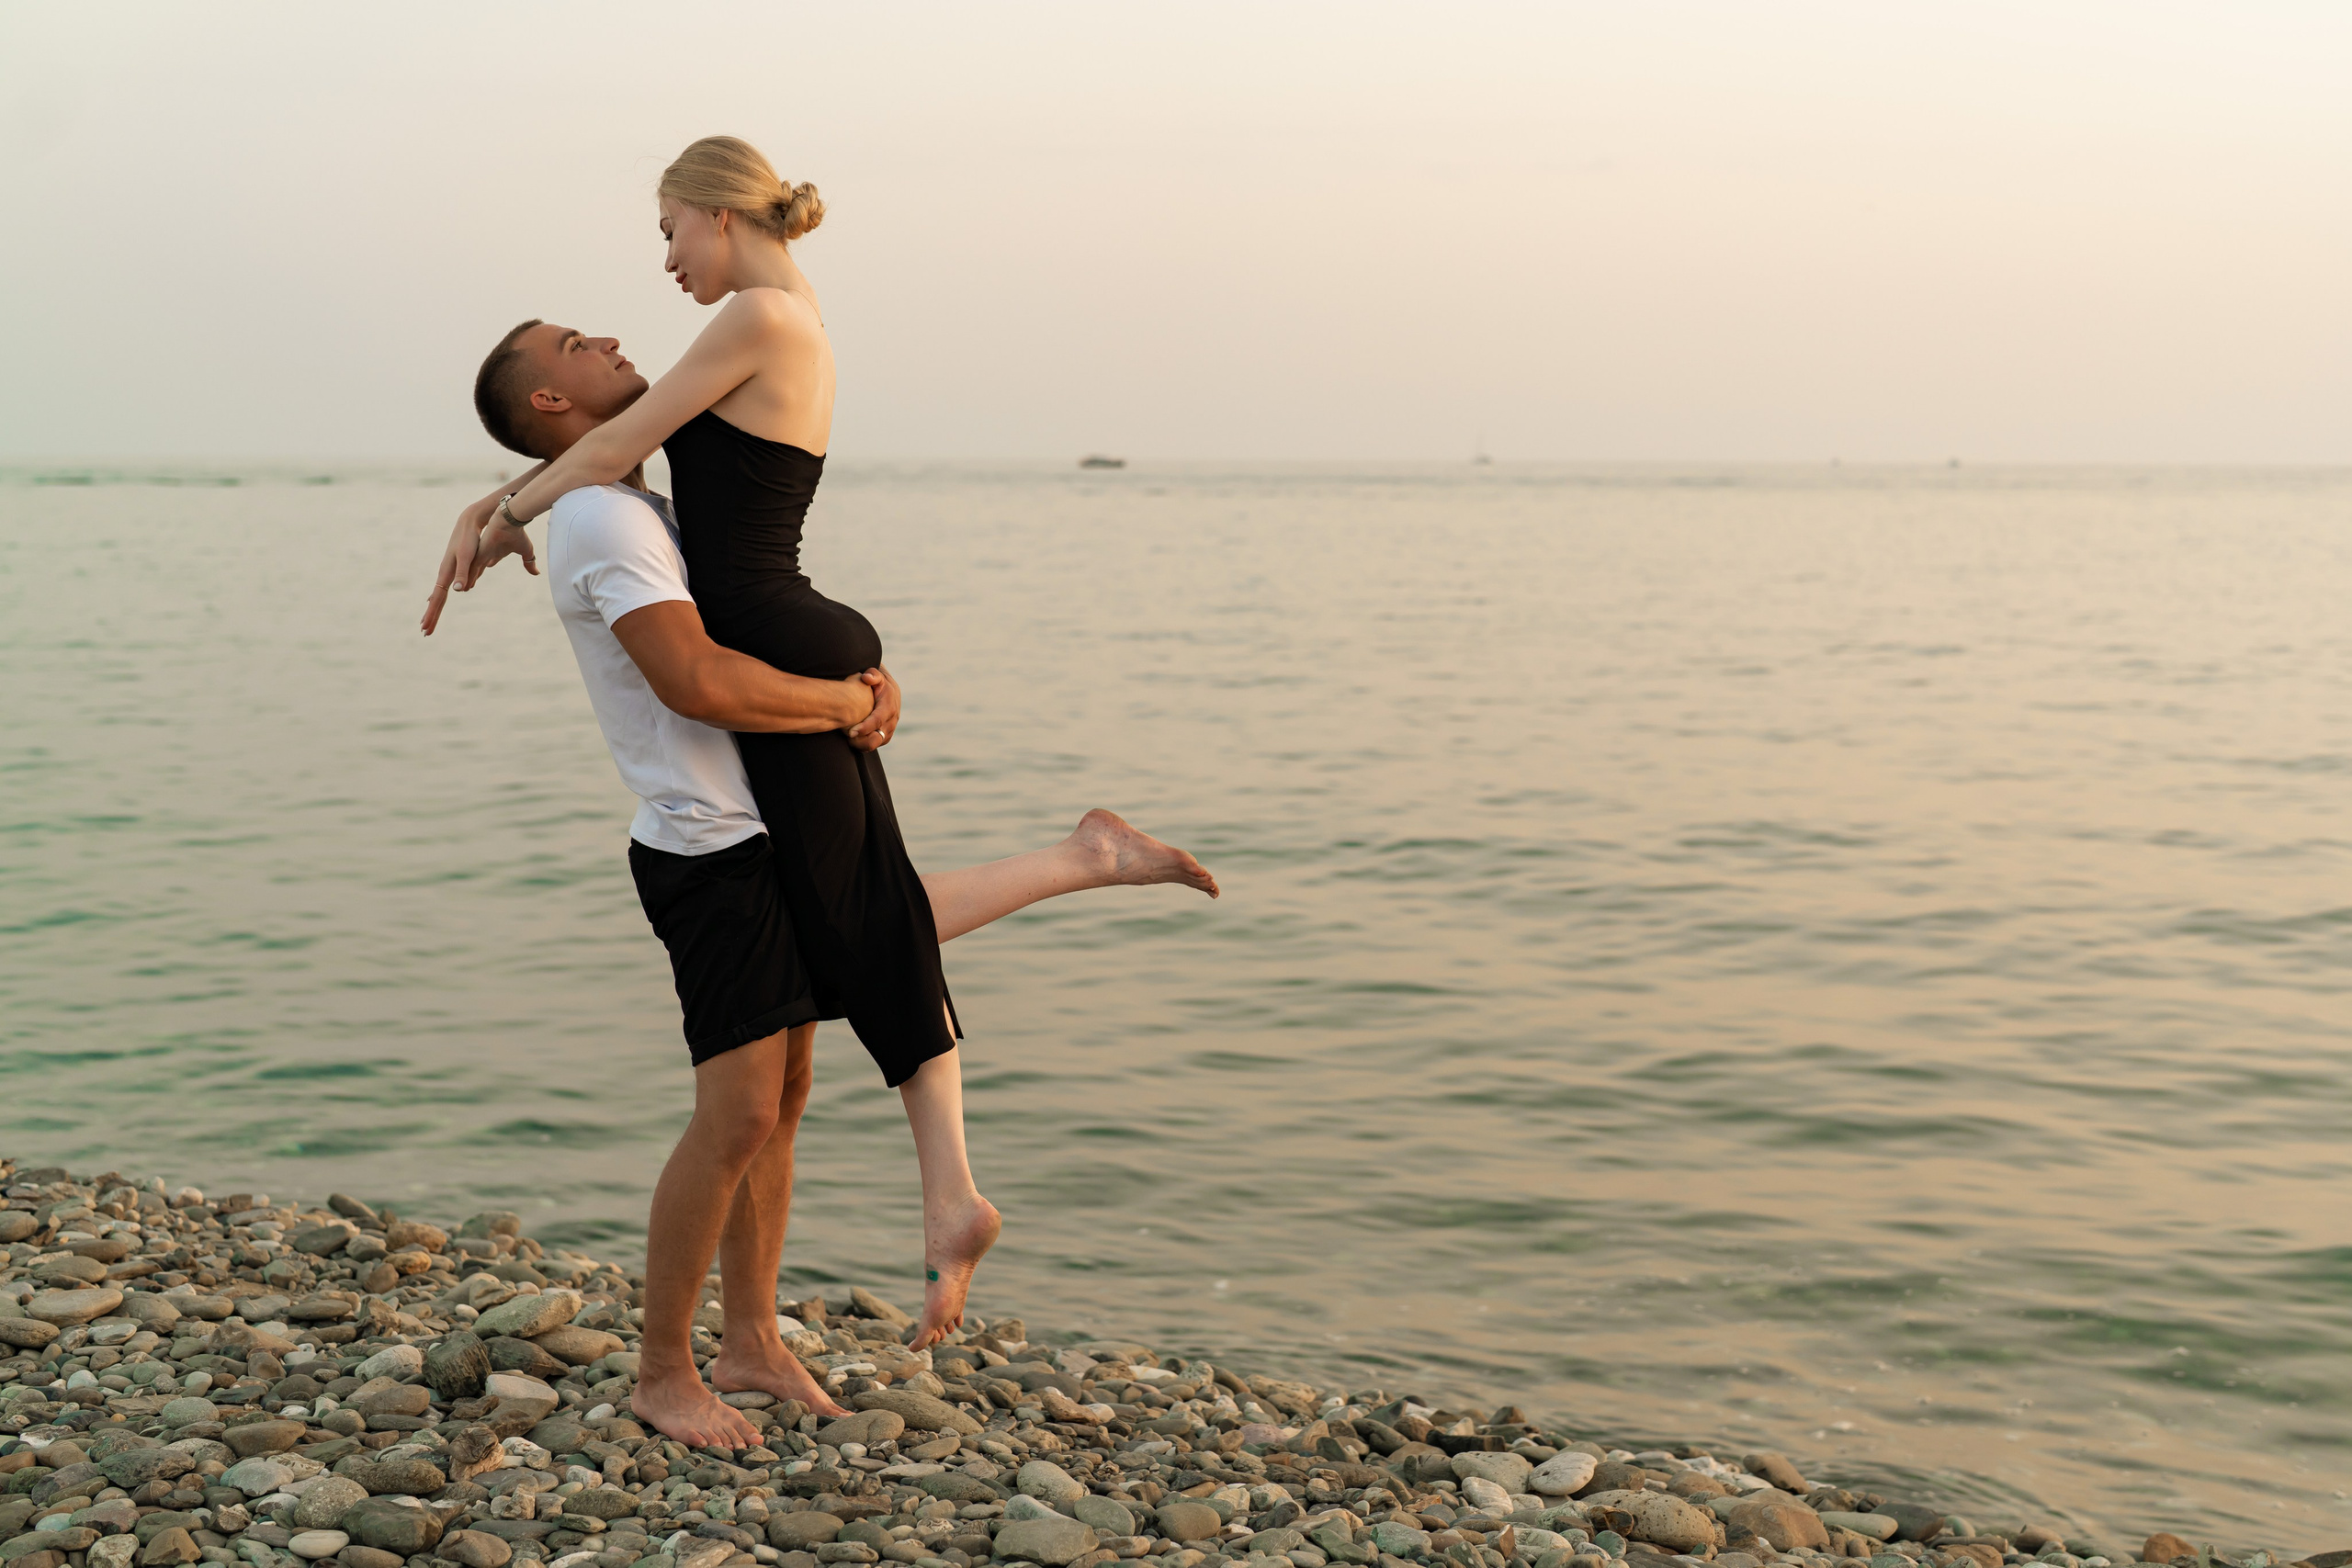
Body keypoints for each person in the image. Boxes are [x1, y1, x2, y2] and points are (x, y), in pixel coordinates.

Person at [431, 313, 1218, 1447]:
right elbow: (696, 679)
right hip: (709, 847)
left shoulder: (624, 497)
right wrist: (849, 703)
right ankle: (663, 1372)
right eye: (568, 341)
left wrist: (502, 505)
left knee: (783, 1102)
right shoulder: (604, 518)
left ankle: (749, 1340)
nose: (603, 334)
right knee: (737, 1112)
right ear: (547, 403)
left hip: (757, 825)